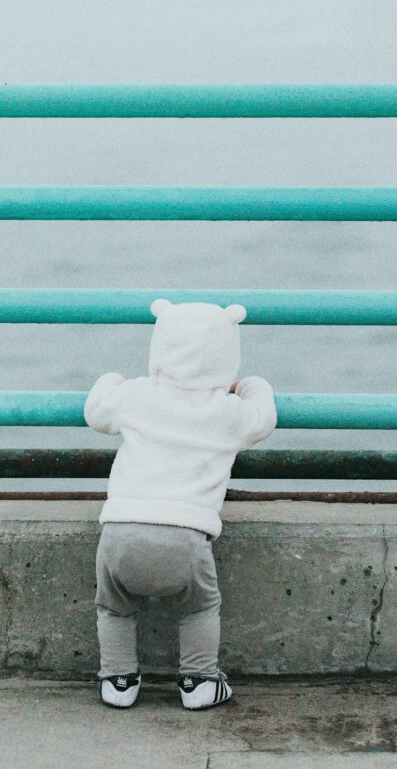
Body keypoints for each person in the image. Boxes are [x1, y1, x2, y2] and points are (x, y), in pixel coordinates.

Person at [84, 299, 277, 710]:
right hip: (185, 538)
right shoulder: (228, 412)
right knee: (199, 609)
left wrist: (111, 379)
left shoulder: (136, 395)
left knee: (114, 610)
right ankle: (199, 681)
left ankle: (117, 682)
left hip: (120, 532)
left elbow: (96, 412)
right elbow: (262, 418)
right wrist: (252, 385)